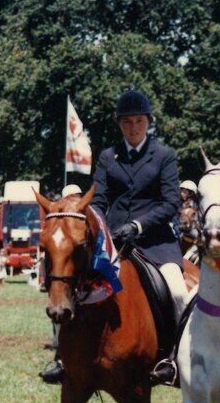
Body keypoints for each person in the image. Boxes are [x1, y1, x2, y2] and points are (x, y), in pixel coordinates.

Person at [42, 87, 189, 384]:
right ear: (119, 124)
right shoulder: (109, 157)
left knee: (177, 290)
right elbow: (98, 200)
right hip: (115, 242)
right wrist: (99, 226)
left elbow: (170, 202)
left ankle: (174, 358)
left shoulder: (164, 156)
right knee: (72, 281)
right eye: (127, 122)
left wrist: (138, 226)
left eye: (138, 122)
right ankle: (62, 356)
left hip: (156, 242)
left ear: (148, 122)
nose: (133, 128)